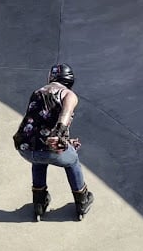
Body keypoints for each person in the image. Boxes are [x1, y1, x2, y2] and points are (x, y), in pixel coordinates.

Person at [13, 63, 94, 220]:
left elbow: (37, 125)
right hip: (50, 147)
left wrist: (66, 141)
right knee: (72, 161)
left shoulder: (37, 92)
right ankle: (82, 200)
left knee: (39, 159)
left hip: (25, 147)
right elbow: (66, 113)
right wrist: (60, 134)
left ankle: (39, 203)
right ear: (70, 81)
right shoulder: (68, 95)